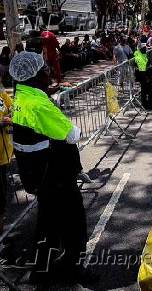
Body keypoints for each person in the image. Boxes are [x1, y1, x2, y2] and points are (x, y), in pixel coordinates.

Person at [9, 52, 87, 283]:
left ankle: (42, 272)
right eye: (44, 68)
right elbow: (72, 134)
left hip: (39, 176)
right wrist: (56, 112)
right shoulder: (38, 104)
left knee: (48, 226)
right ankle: (72, 271)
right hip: (56, 176)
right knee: (73, 226)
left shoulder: (22, 96)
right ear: (33, 75)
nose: (49, 70)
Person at [0, 87, 12, 233]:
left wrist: (10, 117)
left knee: (2, 198)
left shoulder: (1, 93)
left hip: (3, 155)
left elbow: (12, 107)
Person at [134, 43, 152, 109]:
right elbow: (142, 67)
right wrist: (147, 77)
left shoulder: (142, 53)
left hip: (147, 74)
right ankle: (145, 104)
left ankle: (149, 102)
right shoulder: (138, 55)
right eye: (144, 48)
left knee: (149, 88)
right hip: (143, 75)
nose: (145, 49)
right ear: (140, 49)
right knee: (145, 89)